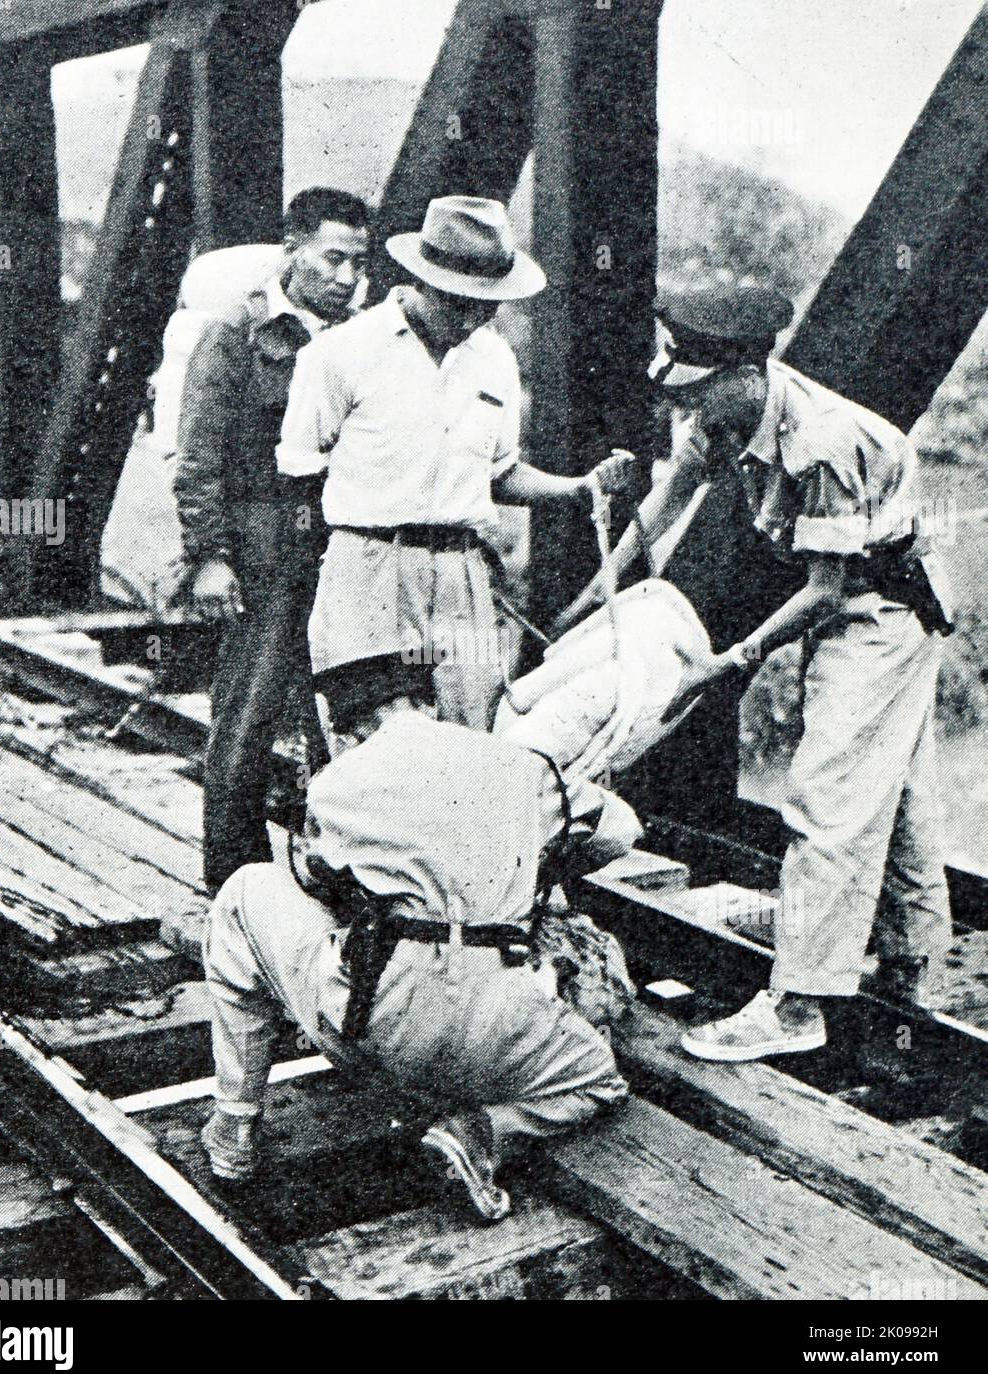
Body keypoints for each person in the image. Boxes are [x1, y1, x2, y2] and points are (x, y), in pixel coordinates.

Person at [618, 284, 953, 1062]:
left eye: (697, 390)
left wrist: (724, 664)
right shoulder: (723, 413)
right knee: (893, 790)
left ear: (744, 372)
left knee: (828, 796)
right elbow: (670, 498)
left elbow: (823, 590)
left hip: (881, 615)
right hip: (850, 609)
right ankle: (906, 965)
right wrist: (595, 592)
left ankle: (798, 1005)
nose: (688, 409)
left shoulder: (823, 439)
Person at [201, 652, 635, 1221]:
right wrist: (536, 868)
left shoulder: (338, 782)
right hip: (506, 1023)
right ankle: (480, 1131)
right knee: (599, 1081)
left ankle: (234, 1123)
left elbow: (312, 878)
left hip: (386, 1029)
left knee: (242, 895)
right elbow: (622, 830)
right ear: (430, 704)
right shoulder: (522, 765)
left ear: (344, 729)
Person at [277, 194, 633, 736]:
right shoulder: (339, 355)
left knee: (468, 734)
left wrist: (580, 488)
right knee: (380, 740)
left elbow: (499, 475)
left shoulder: (494, 359)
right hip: (370, 571)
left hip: (461, 577)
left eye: (489, 304)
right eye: (461, 302)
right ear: (423, 282)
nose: (476, 318)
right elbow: (300, 475)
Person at [173, 188, 369, 893]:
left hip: (341, 543)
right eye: (332, 259)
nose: (346, 278)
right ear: (292, 249)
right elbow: (197, 454)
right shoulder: (236, 333)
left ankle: (338, 878)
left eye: (359, 263)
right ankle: (232, 882)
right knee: (248, 714)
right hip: (261, 546)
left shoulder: (361, 339)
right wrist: (210, 556)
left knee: (345, 714)